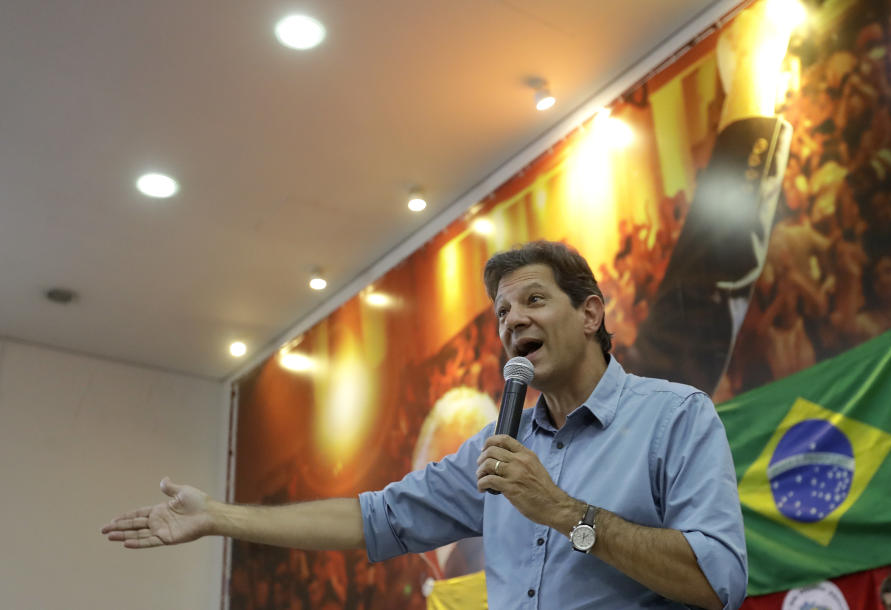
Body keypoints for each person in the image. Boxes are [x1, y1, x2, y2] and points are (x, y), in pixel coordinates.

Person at [104, 240, 746, 609]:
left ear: (589, 314)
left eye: (534, 300)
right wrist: (220, 517)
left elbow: (718, 581)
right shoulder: (497, 451)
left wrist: (563, 511)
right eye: (501, 313)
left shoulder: (675, 417)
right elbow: (372, 519)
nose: (512, 321)